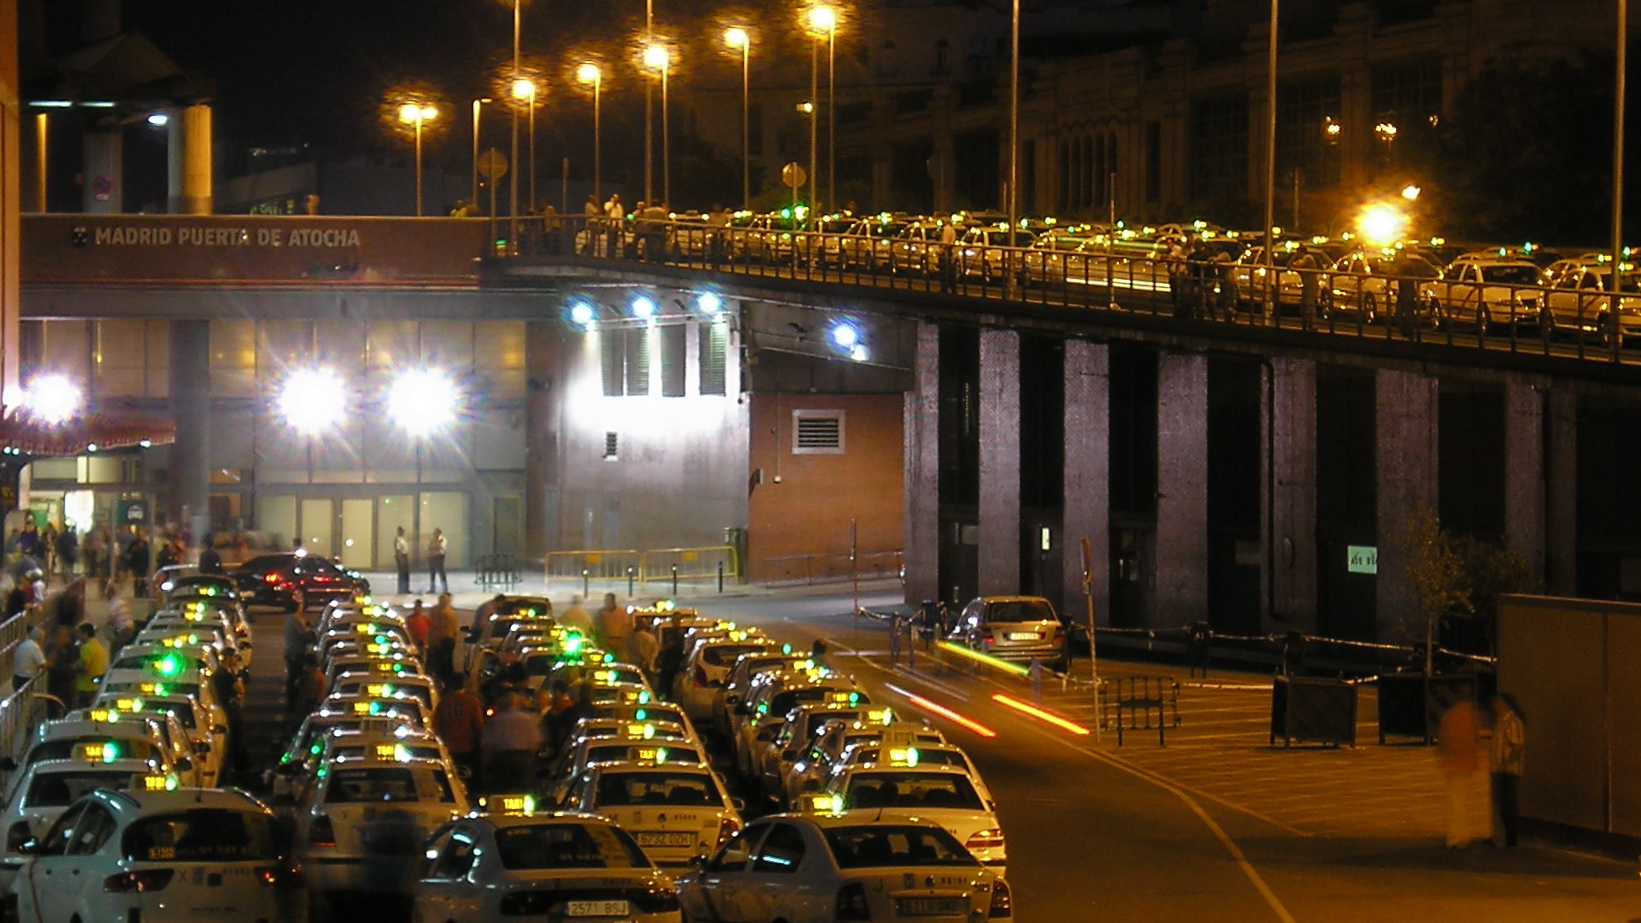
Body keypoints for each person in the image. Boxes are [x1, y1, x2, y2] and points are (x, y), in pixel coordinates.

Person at [1438, 688, 1485, 849]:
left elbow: (1443, 739)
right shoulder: (1472, 716)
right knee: (1463, 801)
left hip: (1451, 763)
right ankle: (1463, 835)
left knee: (1454, 801)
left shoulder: (1449, 715)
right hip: (1467, 763)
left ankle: (1454, 836)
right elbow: (1476, 738)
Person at [482, 693, 542, 794]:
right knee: (523, 789)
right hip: (523, 759)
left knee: (504, 789)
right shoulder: (527, 719)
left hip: (502, 759)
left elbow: (488, 743)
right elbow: (535, 742)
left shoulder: (497, 720)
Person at [434, 673, 486, 788]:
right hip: (469, 749)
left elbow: (436, 729)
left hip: (449, 750)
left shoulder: (443, 704)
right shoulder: (472, 702)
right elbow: (478, 725)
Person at [1490, 693, 1525, 847]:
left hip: (1508, 771)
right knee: (1500, 804)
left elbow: (1518, 745)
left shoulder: (1513, 722)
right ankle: (1501, 837)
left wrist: (1508, 763)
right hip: (1498, 769)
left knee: (1509, 804)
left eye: (1498, 703)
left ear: (1505, 704)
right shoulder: (1500, 722)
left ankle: (1511, 839)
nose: (1495, 706)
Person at [74, 622, 107, 708]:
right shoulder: (98, 646)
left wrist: (74, 668)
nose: (78, 636)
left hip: (85, 687)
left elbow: (86, 668)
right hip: (96, 686)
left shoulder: (86, 648)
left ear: (85, 634)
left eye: (79, 634)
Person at [429, 593, 460, 682]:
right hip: (446, 639)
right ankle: (446, 679)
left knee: (440, 661)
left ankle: (442, 678)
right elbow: (454, 628)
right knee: (445, 661)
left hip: (444, 640)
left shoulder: (436, 611)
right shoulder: (451, 613)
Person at [44, 625, 78, 705]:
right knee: (53, 706)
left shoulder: (73, 648)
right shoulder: (50, 647)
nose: (63, 637)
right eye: (60, 635)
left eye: (65, 635)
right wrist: (57, 648)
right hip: (54, 682)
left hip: (68, 682)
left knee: (69, 705)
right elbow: (49, 662)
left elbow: (74, 663)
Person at [12, 626, 45, 691]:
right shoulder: (34, 647)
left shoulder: (23, 645)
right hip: (25, 680)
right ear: (39, 638)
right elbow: (43, 664)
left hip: (16, 678)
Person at [126, 528, 151, 598]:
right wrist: (134, 550)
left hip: (143, 564)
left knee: (143, 579)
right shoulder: (133, 543)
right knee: (136, 578)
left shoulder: (146, 543)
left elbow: (148, 553)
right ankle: (137, 592)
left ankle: (141, 592)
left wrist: (148, 564)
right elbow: (128, 552)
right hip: (135, 563)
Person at [426, 528, 448, 595]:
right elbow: (429, 547)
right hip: (432, 557)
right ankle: (432, 588)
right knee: (432, 573)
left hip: (439, 557)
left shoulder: (442, 540)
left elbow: (441, 547)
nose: (435, 534)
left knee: (441, 572)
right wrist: (435, 547)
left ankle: (445, 589)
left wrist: (434, 547)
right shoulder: (432, 540)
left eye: (436, 533)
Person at [394, 526, 412, 595]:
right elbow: (398, 550)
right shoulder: (398, 540)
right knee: (402, 573)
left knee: (406, 573)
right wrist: (401, 559)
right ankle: (402, 589)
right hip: (401, 557)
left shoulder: (402, 539)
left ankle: (406, 588)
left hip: (404, 556)